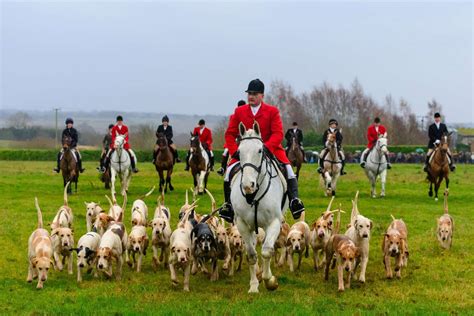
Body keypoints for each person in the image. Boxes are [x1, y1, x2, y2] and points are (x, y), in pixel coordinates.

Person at [218, 79, 305, 223]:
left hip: (270, 150)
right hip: (246, 153)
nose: (251, 96)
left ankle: (294, 201)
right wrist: (235, 152)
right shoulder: (239, 111)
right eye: (249, 94)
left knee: (289, 169)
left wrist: (266, 147)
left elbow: (278, 133)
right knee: (228, 173)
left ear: (262, 95)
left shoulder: (272, 111)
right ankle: (228, 206)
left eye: (254, 94)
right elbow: (229, 134)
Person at [217, 100, 246, 176]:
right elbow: (231, 129)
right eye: (240, 107)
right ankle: (222, 168)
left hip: (246, 137)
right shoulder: (233, 116)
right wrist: (237, 135)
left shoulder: (248, 116)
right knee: (226, 151)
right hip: (236, 137)